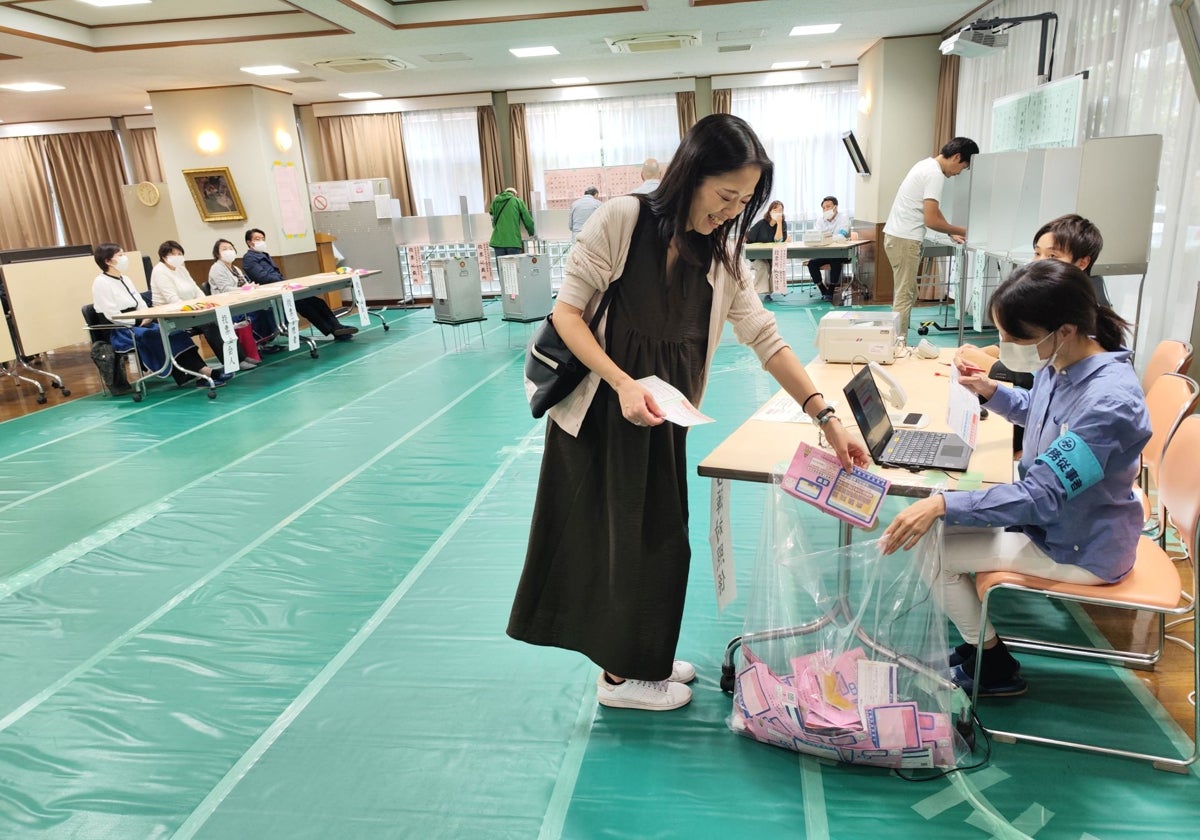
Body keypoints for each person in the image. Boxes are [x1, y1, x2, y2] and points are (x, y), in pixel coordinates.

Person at [507, 113, 870, 712]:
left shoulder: (723, 251)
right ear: (690, 174)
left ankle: (638, 655)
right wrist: (623, 384)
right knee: (616, 545)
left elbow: (766, 338)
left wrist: (826, 416)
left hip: (662, 420)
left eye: (745, 200)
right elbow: (567, 315)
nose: (732, 211)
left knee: (659, 543)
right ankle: (620, 678)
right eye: (725, 195)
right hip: (603, 414)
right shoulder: (622, 220)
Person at [880, 258, 1151, 697]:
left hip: (1079, 546)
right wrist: (991, 391)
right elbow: (1038, 411)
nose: (1004, 345)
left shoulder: (1107, 404)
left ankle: (994, 667)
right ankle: (978, 649)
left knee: (934, 553)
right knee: (938, 533)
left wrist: (943, 503)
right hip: (1057, 523)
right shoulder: (1068, 360)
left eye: (1013, 337)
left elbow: (1041, 496)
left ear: (1063, 330)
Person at [91, 243, 232, 388]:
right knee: (156, 336)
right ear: (107, 261)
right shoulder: (101, 282)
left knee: (175, 333)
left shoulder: (125, 278)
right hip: (122, 329)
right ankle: (205, 373)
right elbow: (111, 314)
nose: (124, 258)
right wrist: (135, 321)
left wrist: (147, 316)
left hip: (141, 321)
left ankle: (200, 373)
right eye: (120, 255)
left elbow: (139, 301)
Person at [883, 137, 978, 340]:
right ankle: (897, 344)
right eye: (963, 167)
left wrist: (951, 231)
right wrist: (964, 229)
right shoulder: (935, 175)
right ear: (957, 157)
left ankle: (895, 341)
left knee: (906, 292)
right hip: (905, 239)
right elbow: (931, 220)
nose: (958, 173)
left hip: (898, 237)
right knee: (905, 295)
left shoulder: (925, 165)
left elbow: (932, 211)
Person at [150, 240, 257, 371]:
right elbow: (172, 299)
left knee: (219, 318)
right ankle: (232, 361)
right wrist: (193, 308)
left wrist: (204, 304)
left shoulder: (181, 269)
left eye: (179, 253)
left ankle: (240, 356)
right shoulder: (160, 272)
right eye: (174, 254)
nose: (177, 257)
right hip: (171, 314)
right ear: (163, 256)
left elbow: (196, 290)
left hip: (191, 309)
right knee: (209, 323)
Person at [242, 229, 358, 341]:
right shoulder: (249, 259)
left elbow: (276, 274)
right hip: (272, 292)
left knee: (317, 302)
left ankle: (337, 327)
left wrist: (286, 283)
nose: (261, 241)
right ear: (249, 242)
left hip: (282, 287)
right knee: (304, 305)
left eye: (263, 238)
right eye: (257, 239)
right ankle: (334, 331)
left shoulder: (264, 254)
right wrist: (283, 282)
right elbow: (263, 277)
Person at [208, 238, 281, 353]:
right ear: (217, 253)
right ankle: (254, 345)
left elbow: (245, 285)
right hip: (229, 307)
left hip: (243, 301)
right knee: (260, 312)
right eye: (224, 249)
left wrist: (251, 287)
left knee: (269, 308)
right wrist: (245, 289)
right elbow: (225, 290)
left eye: (231, 248)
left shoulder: (235, 268)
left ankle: (262, 341)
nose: (228, 251)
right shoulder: (217, 268)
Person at [807, 195, 852, 300]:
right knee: (812, 263)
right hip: (824, 252)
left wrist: (827, 238)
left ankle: (831, 290)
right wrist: (829, 238)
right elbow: (817, 236)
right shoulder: (820, 220)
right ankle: (823, 289)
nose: (826, 209)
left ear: (835, 207)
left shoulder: (843, 218)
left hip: (841, 252)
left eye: (828, 206)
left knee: (835, 260)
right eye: (824, 208)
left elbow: (842, 235)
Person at [743, 200, 789, 298]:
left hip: (773, 255)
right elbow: (749, 238)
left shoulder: (783, 224)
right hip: (757, 255)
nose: (777, 212)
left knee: (775, 267)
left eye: (780, 210)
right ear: (770, 211)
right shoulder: (761, 223)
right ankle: (758, 292)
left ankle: (770, 292)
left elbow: (778, 240)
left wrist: (779, 223)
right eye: (775, 210)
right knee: (764, 266)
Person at [488, 187, 535, 258]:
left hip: (498, 241)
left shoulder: (495, 202)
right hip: (513, 241)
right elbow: (527, 220)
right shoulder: (517, 201)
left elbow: (493, 220)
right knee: (514, 267)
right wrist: (531, 232)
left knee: (501, 267)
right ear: (515, 194)